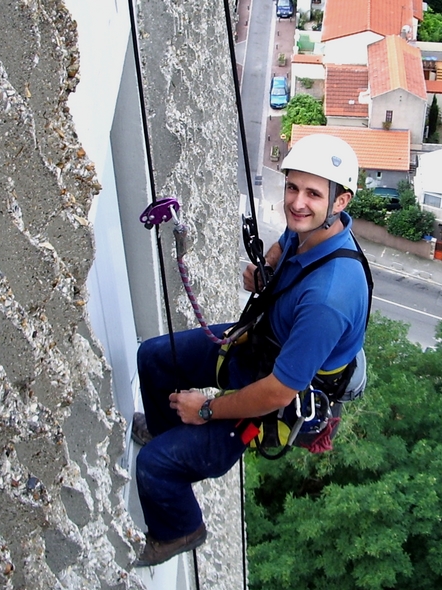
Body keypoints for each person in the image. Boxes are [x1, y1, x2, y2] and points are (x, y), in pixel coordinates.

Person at [132, 133, 370, 567]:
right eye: (292, 187)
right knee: (152, 357)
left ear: (340, 202)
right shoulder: (313, 229)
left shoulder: (329, 297)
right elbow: (284, 247)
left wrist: (207, 409)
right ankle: (169, 431)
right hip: (259, 345)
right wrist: (266, 271)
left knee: (153, 466)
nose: (297, 202)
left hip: (273, 391)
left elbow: (278, 392)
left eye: (314, 194)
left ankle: (179, 530)